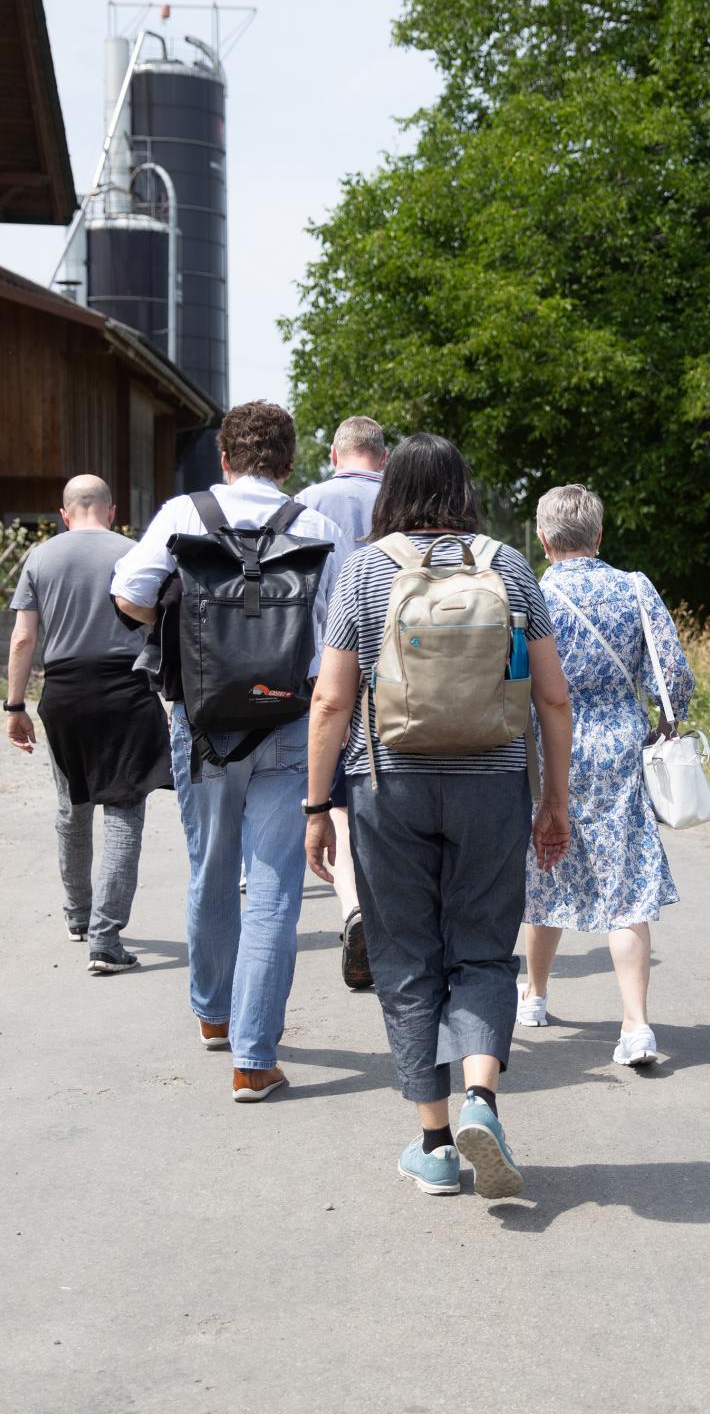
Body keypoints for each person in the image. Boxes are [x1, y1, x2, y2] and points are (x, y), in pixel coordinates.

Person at [305, 434, 574, 1199]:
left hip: (388, 784)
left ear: (392, 491)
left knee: (405, 955)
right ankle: (482, 1100)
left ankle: (432, 1142)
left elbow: (330, 699)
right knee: (484, 949)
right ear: (463, 490)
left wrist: (316, 806)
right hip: (492, 785)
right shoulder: (511, 566)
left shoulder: (364, 571)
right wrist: (552, 798)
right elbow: (552, 696)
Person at [112, 401, 349, 1103]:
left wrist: (181, 625)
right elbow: (342, 633)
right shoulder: (319, 526)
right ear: (290, 462)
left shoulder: (184, 515)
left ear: (223, 459)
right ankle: (254, 1058)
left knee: (210, 870)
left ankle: (213, 1014)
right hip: (290, 722)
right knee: (275, 889)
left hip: (203, 722)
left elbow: (128, 593)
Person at [515, 484, 697, 1068]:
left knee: (547, 869)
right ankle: (637, 1026)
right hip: (622, 747)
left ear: (543, 539)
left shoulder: (534, 594)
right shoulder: (634, 588)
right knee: (627, 888)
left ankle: (536, 996)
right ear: (598, 535)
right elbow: (674, 677)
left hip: (551, 747)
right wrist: (661, 724)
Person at [4, 475, 172, 975]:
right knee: (123, 810)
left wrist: (14, 708)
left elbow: (22, 639)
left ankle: (78, 914)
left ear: (63, 512)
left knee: (72, 807)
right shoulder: (136, 552)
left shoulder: (41, 557)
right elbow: (160, 622)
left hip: (65, 693)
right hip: (125, 689)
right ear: (112, 509)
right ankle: (105, 938)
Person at [300, 415, 388, 992]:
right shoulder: (407, 501)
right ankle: (390, 916)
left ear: (334, 453)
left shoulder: (304, 504)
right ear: (383, 457)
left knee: (337, 801)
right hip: (404, 671)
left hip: (325, 666)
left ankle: (354, 904)